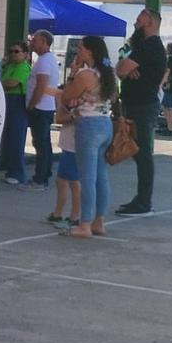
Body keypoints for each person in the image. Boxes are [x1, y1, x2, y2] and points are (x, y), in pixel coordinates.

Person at [56, 36, 117, 239]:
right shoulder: (107, 73)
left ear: (90, 51)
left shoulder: (86, 75)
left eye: (81, 48)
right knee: (101, 176)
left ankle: (85, 224)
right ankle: (99, 221)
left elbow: (66, 96)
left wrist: (73, 73)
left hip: (88, 125)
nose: (78, 51)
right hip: (105, 124)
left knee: (87, 178)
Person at [115, 7, 167, 215]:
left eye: (139, 19)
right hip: (134, 104)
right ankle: (141, 199)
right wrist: (128, 69)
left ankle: (144, 202)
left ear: (150, 22)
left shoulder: (151, 45)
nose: (135, 22)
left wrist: (127, 68)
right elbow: (120, 69)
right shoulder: (140, 45)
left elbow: (121, 68)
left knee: (143, 153)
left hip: (143, 106)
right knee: (137, 152)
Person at [25, 30, 59, 188]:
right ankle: (45, 173)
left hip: (40, 108)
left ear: (44, 41)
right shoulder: (47, 59)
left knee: (41, 144)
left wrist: (33, 103)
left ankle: (40, 179)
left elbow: (41, 84)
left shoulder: (44, 61)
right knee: (44, 143)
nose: (32, 42)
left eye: (35, 40)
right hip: (45, 107)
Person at [0, 40, 31, 185]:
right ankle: (6, 166)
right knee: (6, 137)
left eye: (17, 52)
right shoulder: (9, 66)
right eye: (11, 52)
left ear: (25, 54)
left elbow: (12, 83)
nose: (13, 54)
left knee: (16, 138)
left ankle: (17, 172)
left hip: (17, 102)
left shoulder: (23, 67)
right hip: (7, 100)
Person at [47, 106, 80, 228]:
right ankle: (58, 213)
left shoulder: (82, 104)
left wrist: (68, 114)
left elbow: (60, 119)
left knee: (74, 182)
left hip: (73, 146)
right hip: (68, 144)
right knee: (61, 180)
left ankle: (74, 216)